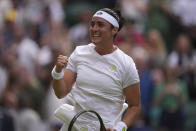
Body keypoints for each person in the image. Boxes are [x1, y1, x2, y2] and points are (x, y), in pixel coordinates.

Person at [51, 8, 141, 131]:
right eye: (92, 24)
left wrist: (120, 127)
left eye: (100, 25)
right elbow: (60, 92)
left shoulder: (126, 63)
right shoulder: (79, 53)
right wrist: (57, 72)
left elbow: (135, 106)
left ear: (114, 30)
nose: (94, 29)